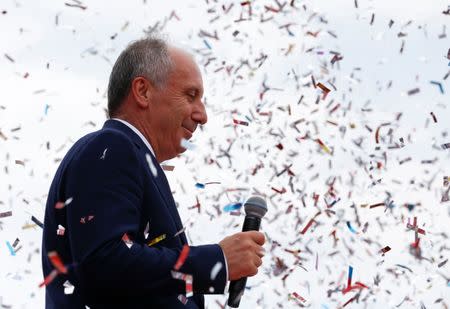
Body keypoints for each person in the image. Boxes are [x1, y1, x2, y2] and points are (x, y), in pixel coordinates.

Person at [41, 34, 265, 308]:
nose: (202, 115)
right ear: (143, 91)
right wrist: (217, 261)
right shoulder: (112, 146)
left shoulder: (132, 158)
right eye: (190, 95)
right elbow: (105, 262)